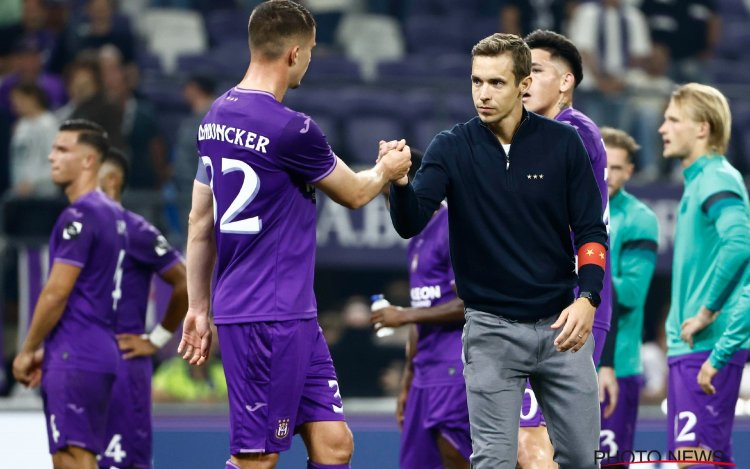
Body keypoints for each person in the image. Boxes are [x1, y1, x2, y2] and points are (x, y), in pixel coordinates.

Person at [177, 2, 411, 469]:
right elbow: (356, 194)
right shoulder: (293, 129)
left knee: (334, 444)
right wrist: (388, 168)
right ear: (295, 53)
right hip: (265, 316)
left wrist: (198, 308)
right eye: (311, 52)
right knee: (256, 458)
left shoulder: (215, 118)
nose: (309, 61)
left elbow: (199, 223)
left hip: (293, 316)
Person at [388, 33, 607, 469]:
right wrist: (398, 184)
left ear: (524, 84)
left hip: (560, 327)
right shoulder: (450, 147)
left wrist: (589, 299)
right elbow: (411, 222)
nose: (483, 94)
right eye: (476, 82)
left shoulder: (564, 145)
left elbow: (590, 232)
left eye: (496, 83)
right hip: (490, 331)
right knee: (493, 460)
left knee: (583, 459)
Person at [518, 29, 618, 468]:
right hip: (542, 308)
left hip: (571, 308)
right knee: (546, 448)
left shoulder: (572, 132)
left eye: (535, 71)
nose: (524, 81)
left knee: (533, 445)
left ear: (565, 82)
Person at [11, 119, 126, 469]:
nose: (51, 157)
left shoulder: (79, 215)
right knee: (82, 456)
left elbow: (56, 293)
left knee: (71, 459)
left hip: (74, 356)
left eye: (63, 150)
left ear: (89, 160)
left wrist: (28, 349)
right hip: (96, 349)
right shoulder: (114, 214)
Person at [659, 83, 750, 466]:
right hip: (694, 349)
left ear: (702, 129)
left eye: (673, 119)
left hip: (705, 348)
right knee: (702, 461)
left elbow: (740, 243)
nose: (663, 128)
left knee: (694, 462)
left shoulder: (716, 178)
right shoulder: (701, 180)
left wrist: (708, 311)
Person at [370, 150, 470, 469]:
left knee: (458, 458)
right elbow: (425, 303)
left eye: (391, 193)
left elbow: (472, 303)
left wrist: (403, 315)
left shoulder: (453, 226)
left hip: (454, 368)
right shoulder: (416, 236)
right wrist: (408, 382)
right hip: (423, 373)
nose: (389, 205)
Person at [96, 148, 187, 469]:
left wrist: (157, 338)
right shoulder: (73, 229)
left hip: (122, 360)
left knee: (124, 461)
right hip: (80, 362)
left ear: (111, 181)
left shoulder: (135, 230)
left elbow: (184, 282)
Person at [600, 127, 659, 465]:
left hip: (619, 365)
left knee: (608, 463)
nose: (609, 175)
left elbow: (633, 294)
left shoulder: (641, 219)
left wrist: (583, 274)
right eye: (604, 165)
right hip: (565, 365)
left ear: (631, 172)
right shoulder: (572, 206)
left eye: (618, 168)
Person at [9, 82, 59, 197]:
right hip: (21, 191)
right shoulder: (21, 126)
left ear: (33, 98)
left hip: (45, 192)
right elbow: (18, 160)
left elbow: (54, 158)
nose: (15, 105)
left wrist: (34, 183)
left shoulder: (49, 123)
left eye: (19, 99)